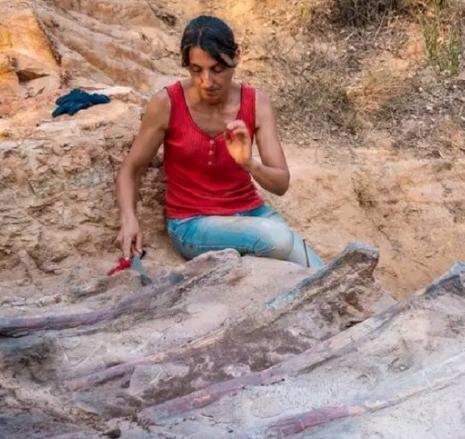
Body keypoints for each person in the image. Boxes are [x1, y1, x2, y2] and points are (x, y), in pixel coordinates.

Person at [114, 15, 322, 267]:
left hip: (252, 213)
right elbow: (131, 168)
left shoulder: (257, 103)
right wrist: (129, 219)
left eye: (217, 69)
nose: (207, 81)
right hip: (192, 224)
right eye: (196, 70)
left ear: (237, 57)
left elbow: (281, 184)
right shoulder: (167, 103)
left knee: (322, 272)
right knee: (278, 239)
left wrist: (248, 163)